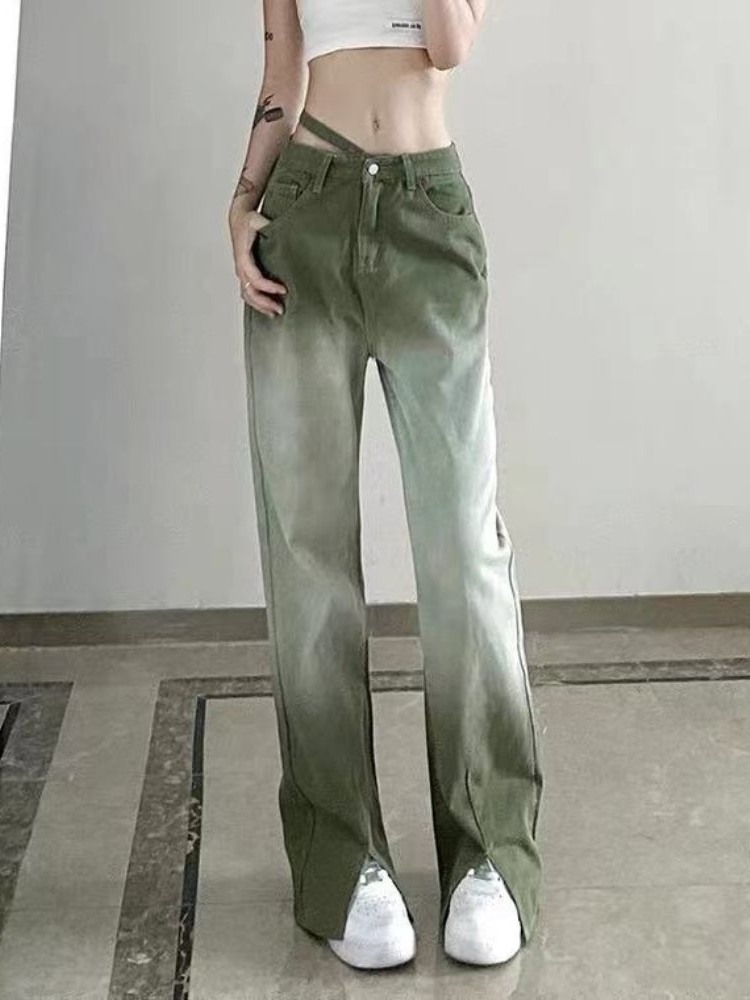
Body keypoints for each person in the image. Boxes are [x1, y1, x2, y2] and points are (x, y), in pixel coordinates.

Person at [226, 0, 544, 972]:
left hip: (426, 215)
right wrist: (243, 202)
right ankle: (343, 861)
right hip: (306, 208)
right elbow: (283, 74)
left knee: (462, 550)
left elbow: (450, 46)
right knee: (308, 552)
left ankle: (489, 853)